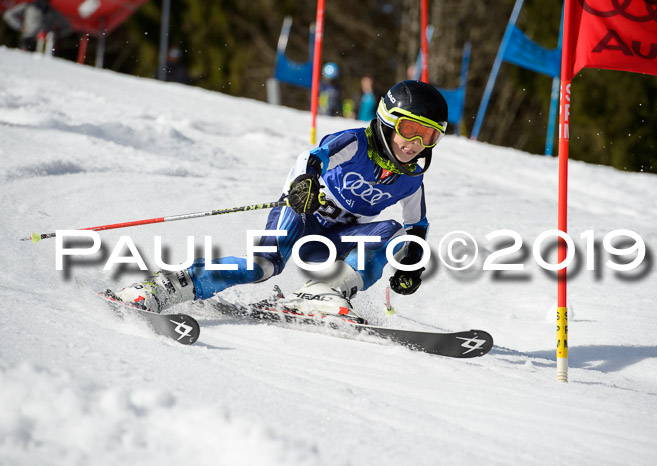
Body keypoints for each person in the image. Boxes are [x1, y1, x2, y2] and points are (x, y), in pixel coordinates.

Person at [107, 80, 449, 317]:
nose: (416, 143)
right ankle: (167, 286)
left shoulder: (410, 180)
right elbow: (313, 157)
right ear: (388, 121)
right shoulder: (355, 143)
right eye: (410, 130)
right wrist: (304, 184)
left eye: (429, 135)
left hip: (333, 241)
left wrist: (413, 263)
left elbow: (416, 225)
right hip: (302, 212)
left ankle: (325, 293)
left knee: (392, 233)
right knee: (263, 266)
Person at [3, 0, 71, 52]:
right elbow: (8, 15)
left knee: (42, 64)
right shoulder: (28, 6)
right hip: (28, 39)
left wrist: (56, 34)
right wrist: (19, 26)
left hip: (45, 42)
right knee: (23, 60)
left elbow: (67, 28)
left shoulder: (53, 11)